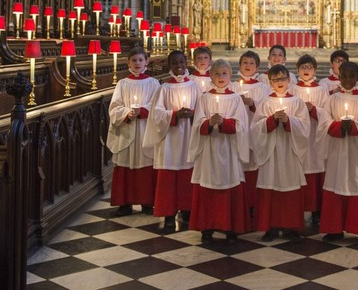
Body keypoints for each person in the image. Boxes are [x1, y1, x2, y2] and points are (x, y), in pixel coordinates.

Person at [318, 61, 358, 246]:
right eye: (344, 76)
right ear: (338, 77)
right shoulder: (332, 99)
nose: (347, 80)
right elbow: (323, 125)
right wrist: (338, 126)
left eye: (351, 76)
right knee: (336, 185)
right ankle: (334, 229)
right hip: (338, 150)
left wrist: (355, 126)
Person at [188, 59, 250, 243]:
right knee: (207, 187)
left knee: (231, 186)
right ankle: (207, 228)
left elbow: (242, 125)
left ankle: (231, 227)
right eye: (217, 73)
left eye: (224, 73)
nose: (221, 77)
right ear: (210, 76)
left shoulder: (235, 99)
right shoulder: (205, 98)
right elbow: (197, 124)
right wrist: (209, 123)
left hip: (229, 150)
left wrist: (225, 123)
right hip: (209, 150)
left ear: (230, 76)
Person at [143, 50, 203, 229]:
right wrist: (175, 115)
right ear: (169, 65)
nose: (179, 66)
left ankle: (188, 209)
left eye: (182, 62)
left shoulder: (194, 86)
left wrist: (193, 114)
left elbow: (203, 108)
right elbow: (156, 114)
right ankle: (169, 213)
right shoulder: (164, 88)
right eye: (175, 62)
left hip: (189, 135)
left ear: (187, 63)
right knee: (168, 176)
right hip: (169, 138)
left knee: (188, 173)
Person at [251, 64, 310, 241]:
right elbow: (255, 128)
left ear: (289, 80)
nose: (280, 82)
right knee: (271, 186)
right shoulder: (265, 102)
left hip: (290, 151)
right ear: (270, 82)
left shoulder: (297, 102)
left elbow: (305, 127)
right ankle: (271, 227)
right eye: (276, 79)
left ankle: (292, 227)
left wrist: (289, 121)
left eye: (283, 78)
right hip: (272, 152)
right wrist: (271, 121)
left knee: (290, 188)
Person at [106, 47, 160, 216]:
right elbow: (115, 107)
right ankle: (124, 203)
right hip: (127, 129)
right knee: (125, 165)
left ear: (147, 62)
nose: (137, 63)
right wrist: (127, 113)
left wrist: (143, 111)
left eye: (140, 60)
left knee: (146, 164)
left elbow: (157, 105)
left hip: (145, 130)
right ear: (128, 62)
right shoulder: (122, 84)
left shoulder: (153, 83)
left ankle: (147, 202)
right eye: (134, 60)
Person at [228, 50, 270, 224]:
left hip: (255, 133)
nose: (247, 66)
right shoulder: (232, 86)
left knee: (254, 166)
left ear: (257, 67)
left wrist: (253, 104)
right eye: (245, 62)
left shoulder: (263, 87)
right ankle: (239, 204)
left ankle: (253, 204)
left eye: (251, 63)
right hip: (237, 132)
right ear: (239, 65)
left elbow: (268, 108)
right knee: (239, 165)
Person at [292, 54, 330, 224]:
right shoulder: (292, 89)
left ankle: (317, 210)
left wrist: (314, 110)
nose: (306, 70)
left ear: (315, 69)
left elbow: (327, 112)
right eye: (303, 67)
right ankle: (299, 208)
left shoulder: (321, 89)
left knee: (317, 167)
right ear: (297, 70)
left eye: (309, 67)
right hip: (299, 136)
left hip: (315, 135)